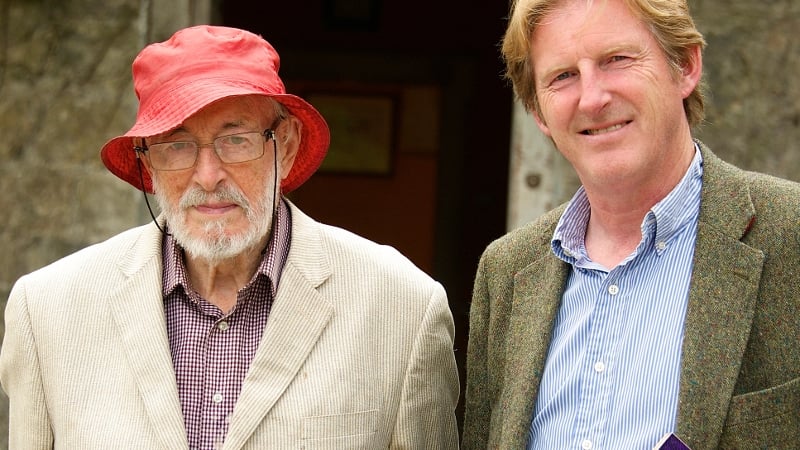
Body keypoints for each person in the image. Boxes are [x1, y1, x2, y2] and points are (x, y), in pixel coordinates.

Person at [0, 25, 460, 449]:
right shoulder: (47, 312)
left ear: (289, 142)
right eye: (176, 144)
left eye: (236, 138)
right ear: (147, 162)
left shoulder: (404, 308)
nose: (207, 175)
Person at [463, 0, 800, 449]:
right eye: (563, 76)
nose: (593, 97)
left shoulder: (789, 236)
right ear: (539, 113)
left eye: (616, 60)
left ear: (685, 66)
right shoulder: (505, 272)